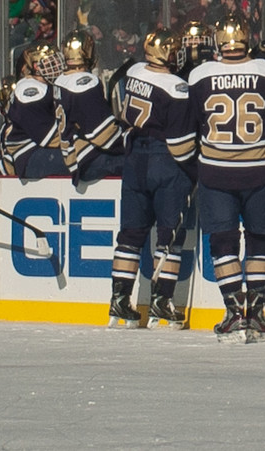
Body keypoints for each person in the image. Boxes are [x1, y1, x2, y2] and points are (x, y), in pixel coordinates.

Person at [188, 13, 265, 344]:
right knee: (260, 239)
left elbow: (190, 124)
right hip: (259, 168)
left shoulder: (200, 74)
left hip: (216, 169)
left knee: (223, 242)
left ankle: (235, 313)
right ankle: (259, 314)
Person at [108, 29, 194, 329]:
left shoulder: (133, 71)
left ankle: (119, 301)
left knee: (130, 233)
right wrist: (194, 169)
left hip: (133, 156)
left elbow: (115, 91)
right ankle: (161, 302)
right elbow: (181, 140)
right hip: (164, 157)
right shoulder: (178, 86)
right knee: (169, 236)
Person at [52, 30, 124, 186]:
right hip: (88, 159)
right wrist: (128, 139)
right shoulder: (84, 83)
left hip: (71, 155)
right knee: (143, 165)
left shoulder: (61, 80)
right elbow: (103, 135)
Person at [0, 40, 69, 179]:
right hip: (28, 155)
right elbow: (49, 137)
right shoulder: (30, 90)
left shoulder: (46, 86)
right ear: (37, 66)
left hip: (39, 150)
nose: (59, 66)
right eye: (52, 63)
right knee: (87, 159)